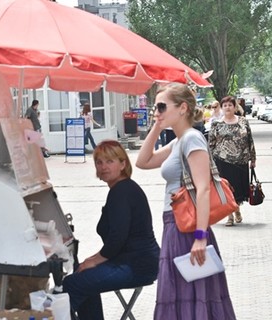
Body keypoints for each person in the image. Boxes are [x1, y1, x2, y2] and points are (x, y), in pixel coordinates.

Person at [136, 83, 236, 319]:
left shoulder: (192, 138)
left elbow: (202, 190)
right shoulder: (178, 141)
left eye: (161, 106)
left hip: (189, 227)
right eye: (155, 107)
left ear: (182, 108)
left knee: (192, 294)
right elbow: (143, 161)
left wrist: (200, 238)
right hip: (176, 224)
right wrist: (156, 127)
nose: (156, 111)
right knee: (180, 294)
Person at [63, 140, 160, 320]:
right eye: (99, 162)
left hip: (136, 265)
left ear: (123, 164)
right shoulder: (123, 188)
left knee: (71, 284)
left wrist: (94, 260)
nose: (103, 167)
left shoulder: (121, 191)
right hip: (138, 261)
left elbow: (117, 237)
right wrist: (91, 260)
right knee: (84, 276)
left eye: (110, 161)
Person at [208, 96, 256, 226]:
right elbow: (211, 143)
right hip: (222, 161)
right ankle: (229, 216)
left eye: (230, 105)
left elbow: (250, 140)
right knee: (226, 190)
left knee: (238, 190)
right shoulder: (216, 124)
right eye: (225, 105)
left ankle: (236, 210)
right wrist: (209, 162)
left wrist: (253, 158)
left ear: (235, 107)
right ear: (222, 108)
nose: (227, 107)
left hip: (241, 161)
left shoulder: (243, 121)